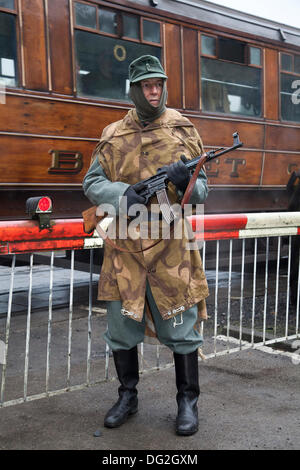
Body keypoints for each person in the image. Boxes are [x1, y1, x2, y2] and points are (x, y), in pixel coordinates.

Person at [82, 55, 209, 436]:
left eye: (158, 85)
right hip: (126, 251)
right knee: (121, 328)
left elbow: (202, 192)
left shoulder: (183, 130)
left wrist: (185, 179)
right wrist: (122, 194)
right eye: (146, 86)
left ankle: (187, 402)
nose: (154, 92)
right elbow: (91, 183)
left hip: (171, 249)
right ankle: (128, 397)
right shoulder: (113, 134)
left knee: (182, 330)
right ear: (134, 89)